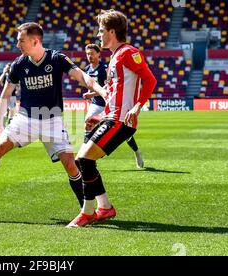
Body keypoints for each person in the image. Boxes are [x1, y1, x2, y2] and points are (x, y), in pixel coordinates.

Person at [0, 22, 107, 211]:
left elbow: (83, 77)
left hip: (52, 119)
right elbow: (5, 95)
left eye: (21, 40)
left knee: (70, 166)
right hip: (25, 118)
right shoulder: (19, 64)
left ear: (35, 41)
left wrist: (101, 91)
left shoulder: (56, 59)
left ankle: (87, 210)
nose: (18, 45)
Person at [66, 10, 157, 228]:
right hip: (111, 118)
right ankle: (104, 208)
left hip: (121, 122)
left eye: (101, 31)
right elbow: (116, 93)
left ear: (112, 32)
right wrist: (100, 117)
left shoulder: (128, 52)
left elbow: (150, 80)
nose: (98, 35)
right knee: (83, 160)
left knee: (85, 160)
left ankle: (88, 212)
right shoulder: (115, 56)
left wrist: (136, 107)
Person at [83, 43, 144, 169]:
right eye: (88, 54)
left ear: (99, 54)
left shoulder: (104, 68)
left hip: (110, 103)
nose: (89, 56)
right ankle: (86, 157)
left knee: (125, 135)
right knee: (88, 125)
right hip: (96, 104)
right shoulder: (87, 69)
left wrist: (92, 94)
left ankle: (137, 152)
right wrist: (91, 96)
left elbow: (109, 86)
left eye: (92, 53)